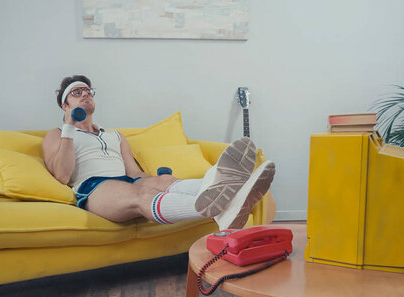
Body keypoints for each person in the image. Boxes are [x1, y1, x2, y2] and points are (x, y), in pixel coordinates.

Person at [43, 75, 275, 230]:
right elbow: (62, 177)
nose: (85, 94)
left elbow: (134, 173)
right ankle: (221, 201)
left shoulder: (115, 135)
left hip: (126, 181)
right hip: (94, 188)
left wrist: (159, 180)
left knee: (163, 180)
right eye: (76, 93)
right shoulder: (58, 134)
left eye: (88, 91)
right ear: (64, 105)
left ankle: (230, 187)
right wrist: (69, 127)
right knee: (140, 196)